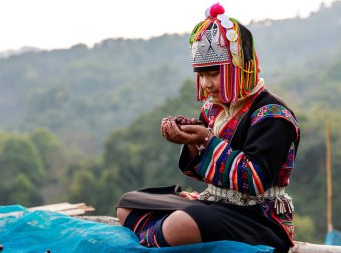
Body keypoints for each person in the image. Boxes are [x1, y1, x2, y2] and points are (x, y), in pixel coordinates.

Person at [116, 3, 300, 253]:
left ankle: (159, 236)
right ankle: (162, 236)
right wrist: (190, 141)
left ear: (238, 67)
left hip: (259, 217)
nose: (206, 84)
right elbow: (201, 174)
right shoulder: (212, 109)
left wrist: (207, 140)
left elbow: (254, 180)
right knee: (128, 203)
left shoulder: (273, 114)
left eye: (213, 74)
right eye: (201, 75)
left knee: (178, 224)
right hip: (215, 204)